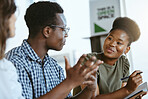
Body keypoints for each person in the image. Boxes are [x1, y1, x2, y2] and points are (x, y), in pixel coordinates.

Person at [6, 1, 103, 99]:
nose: (66, 34)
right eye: (63, 29)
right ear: (47, 31)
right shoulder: (14, 63)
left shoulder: (54, 66)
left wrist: (89, 89)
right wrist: (70, 82)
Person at [73, 17, 143, 95]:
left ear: (127, 49)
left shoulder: (123, 62)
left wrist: (133, 95)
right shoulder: (90, 61)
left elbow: (123, 95)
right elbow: (92, 98)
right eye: (110, 38)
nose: (112, 44)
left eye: (119, 43)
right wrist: (127, 90)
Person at [0, 0, 24, 98]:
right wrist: (69, 83)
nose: (15, 17)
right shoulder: (11, 64)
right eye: (12, 12)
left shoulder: (5, 64)